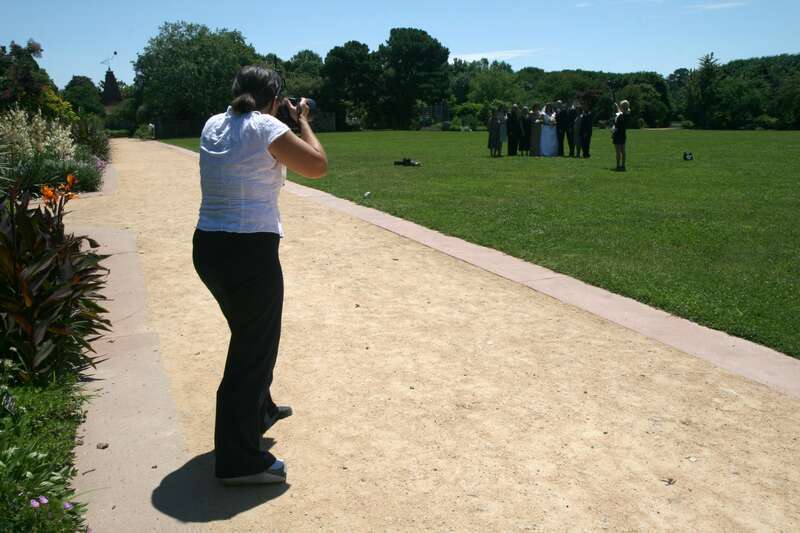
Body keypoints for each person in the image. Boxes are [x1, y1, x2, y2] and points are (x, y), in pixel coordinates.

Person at [193, 65, 328, 486]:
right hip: (248, 252)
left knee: (250, 335)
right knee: (252, 350)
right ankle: (237, 460)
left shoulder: (214, 123)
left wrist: (279, 115)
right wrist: (302, 119)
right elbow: (318, 165)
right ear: (274, 100)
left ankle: (261, 409)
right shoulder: (266, 125)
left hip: (209, 248)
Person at [612, 100, 630, 171]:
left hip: (617, 134)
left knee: (618, 152)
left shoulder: (621, 115)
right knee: (623, 151)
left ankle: (618, 165)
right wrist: (617, 107)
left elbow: (619, 114)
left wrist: (613, 130)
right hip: (623, 134)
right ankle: (623, 165)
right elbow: (620, 112)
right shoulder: (627, 114)